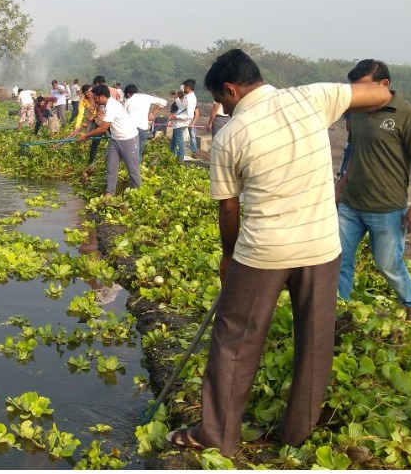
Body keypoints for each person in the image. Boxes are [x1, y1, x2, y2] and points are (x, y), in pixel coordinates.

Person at [165, 49, 391, 456]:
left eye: (222, 99)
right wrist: (379, 99)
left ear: (231, 89)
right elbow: (377, 95)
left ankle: (218, 435)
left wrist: (228, 255)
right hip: (321, 245)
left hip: (264, 251)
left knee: (236, 340)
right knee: (316, 338)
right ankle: (296, 433)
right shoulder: (312, 97)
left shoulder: (231, 134)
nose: (223, 107)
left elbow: (229, 206)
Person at [335, 59, 411, 324]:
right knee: (340, 258)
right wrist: (339, 188)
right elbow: (353, 151)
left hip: (387, 207)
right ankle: (340, 310)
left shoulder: (407, 114)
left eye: (363, 88)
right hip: (351, 204)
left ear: (383, 84)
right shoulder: (355, 112)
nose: (357, 94)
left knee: (388, 264)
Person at [77, 85, 142, 196]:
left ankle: (137, 193)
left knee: (132, 169)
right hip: (115, 139)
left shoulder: (112, 106)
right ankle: (109, 193)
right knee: (111, 167)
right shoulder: (107, 105)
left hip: (128, 139)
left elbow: (103, 128)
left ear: (102, 97)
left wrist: (86, 136)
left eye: (95, 98)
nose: (94, 100)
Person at [124, 84, 167, 162]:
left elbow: (123, 117)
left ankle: (129, 170)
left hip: (131, 129)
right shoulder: (146, 97)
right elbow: (164, 102)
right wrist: (153, 112)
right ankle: (137, 172)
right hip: (143, 128)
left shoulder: (128, 101)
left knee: (130, 152)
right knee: (139, 152)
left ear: (128, 94)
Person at [169, 90, 190, 160]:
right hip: (177, 125)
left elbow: (189, 115)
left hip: (180, 124)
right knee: (174, 141)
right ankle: (171, 155)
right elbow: (172, 114)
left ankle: (180, 159)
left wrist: (175, 117)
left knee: (179, 142)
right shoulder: (177, 103)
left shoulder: (185, 103)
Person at [182, 79, 201, 156]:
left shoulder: (191, 98)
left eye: (184, 87)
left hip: (189, 121)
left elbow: (196, 112)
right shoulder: (187, 97)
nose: (183, 88)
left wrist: (192, 122)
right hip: (187, 120)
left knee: (191, 136)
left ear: (188, 87)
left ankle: (193, 151)